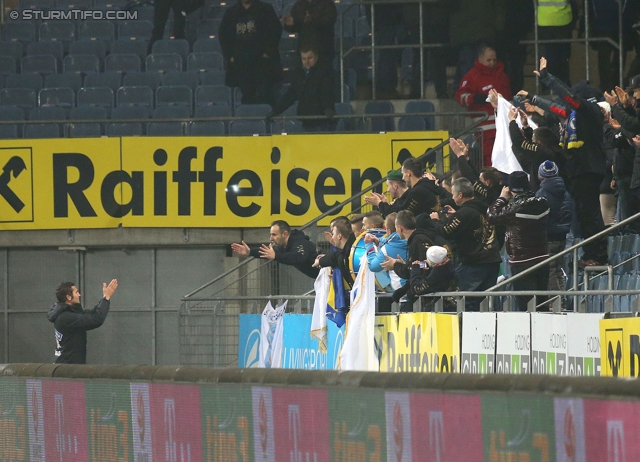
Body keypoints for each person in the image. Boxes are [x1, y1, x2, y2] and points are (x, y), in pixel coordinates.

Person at [523, 57, 609, 266]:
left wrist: (547, 78)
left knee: (590, 214)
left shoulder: (590, 111)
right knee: (584, 214)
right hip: (580, 169)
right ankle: (590, 254)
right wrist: (533, 99)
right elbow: (556, 109)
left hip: (588, 168)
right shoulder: (576, 114)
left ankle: (597, 255)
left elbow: (568, 99)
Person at [430, 178, 502, 311]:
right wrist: (456, 216)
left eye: (453, 194)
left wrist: (435, 221)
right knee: (486, 302)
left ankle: (469, 330)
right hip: (492, 260)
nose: (452, 197)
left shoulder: (464, 213)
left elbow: (445, 231)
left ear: (460, 195)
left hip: (473, 264)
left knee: (468, 301)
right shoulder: (485, 208)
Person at [487, 171, 550, 311]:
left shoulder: (514, 208)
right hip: (542, 257)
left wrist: (502, 198)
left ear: (511, 188)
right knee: (541, 301)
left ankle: (530, 332)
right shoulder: (543, 202)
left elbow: (491, 215)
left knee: (525, 303)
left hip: (522, 260)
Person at [456, 45, 512, 167]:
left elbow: (509, 97)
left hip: (503, 126)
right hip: (485, 129)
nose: (492, 63)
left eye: (494, 60)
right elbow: (460, 96)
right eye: (489, 60)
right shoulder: (471, 77)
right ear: (480, 59)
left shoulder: (502, 76)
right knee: (490, 159)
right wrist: (475, 98)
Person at [218, 0, 283, 105]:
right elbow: (223, 35)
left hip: (262, 63)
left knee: (266, 95)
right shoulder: (231, 12)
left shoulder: (265, 9)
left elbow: (276, 30)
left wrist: (267, 53)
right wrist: (230, 56)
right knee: (247, 97)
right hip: (242, 63)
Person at [47, 279, 119, 364]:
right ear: (69, 297)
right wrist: (106, 298)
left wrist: (105, 298)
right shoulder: (66, 317)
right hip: (67, 369)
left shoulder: (70, 313)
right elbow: (96, 319)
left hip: (69, 365)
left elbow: (93, 313)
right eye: (76, 292)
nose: (79, 294)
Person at [268, 47, 336, 132]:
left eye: (310, 58)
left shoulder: (325, 73)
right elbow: (290, 95)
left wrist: (328, 108)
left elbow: (326, 93)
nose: (307, 61)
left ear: (316, 57)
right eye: (304, 59)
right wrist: (276, 111)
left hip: (323, 123)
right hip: (306, 122)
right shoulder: (299, 75)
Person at [380, 210, 435, 309]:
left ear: (400, 228)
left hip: (425, 294)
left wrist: (396, 265)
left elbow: (428, 265)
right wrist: (405, 265)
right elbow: (417, 265)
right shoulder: (415, 240)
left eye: (396, 227)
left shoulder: (419, 240)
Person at [231, 220, 319, 278]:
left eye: (274, 235)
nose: (271, 238)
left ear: (285, 234)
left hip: (329, 274)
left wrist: (276, 256)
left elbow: (298, 257)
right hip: (321, 277)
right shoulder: (284, 246)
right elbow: (269, 252)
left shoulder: (300, 242)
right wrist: (250, 252)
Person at [507, 106, 566, 191]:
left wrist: (512, 120)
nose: (531, 140)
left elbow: (519, 142)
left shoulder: (544, 153)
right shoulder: (554, 150)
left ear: (539, 142)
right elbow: (527, 150)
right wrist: (526, 127)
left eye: (533, 139)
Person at [536, 160, 572, 293]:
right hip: (562, 236)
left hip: (548, 236)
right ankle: (561, 297)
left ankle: (554, 299)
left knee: (550, 269)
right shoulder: (566, 192)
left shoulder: (541, 194)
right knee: (558, 268)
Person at [282, 0, 337, 65]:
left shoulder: (327, 3)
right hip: (304, 48)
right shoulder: (299, 4)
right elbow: (295, 27)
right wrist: (290, 24)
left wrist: (311, 19)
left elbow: (329, 22)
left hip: (323, 49)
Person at [408, 245, 457, 311]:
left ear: (437, 265)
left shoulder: (438, 274)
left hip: (444, 311)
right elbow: (431, 265)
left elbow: (416, 288)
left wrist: (415, 269)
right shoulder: (449, 266)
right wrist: (422, 266)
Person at [313, 216, 356, 288]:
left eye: (333, 233)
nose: (332, 237)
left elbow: (335, 257)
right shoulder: (347, 250)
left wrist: (320, 261)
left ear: (339, 236)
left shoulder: (351, 252)